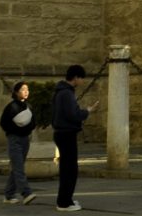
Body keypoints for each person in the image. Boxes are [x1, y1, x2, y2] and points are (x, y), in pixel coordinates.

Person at [50, 64, 91, 213]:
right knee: (69, 169)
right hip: (66, 133)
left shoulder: (61, 92)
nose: (82, 82)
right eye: (81, 79)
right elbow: (72, 115)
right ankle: (64, 202)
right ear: (75, 78)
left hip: (62, 133)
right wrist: (86, 112)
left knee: (67, 168)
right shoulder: (66, 93)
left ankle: (66, 199)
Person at [0, 81, 38, 205]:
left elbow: (33, 122)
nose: (26, 92)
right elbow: (3, 123)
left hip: (25, 139)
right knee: (19, 167)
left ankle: (8, 195)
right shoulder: (11, 107)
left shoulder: (29, 106)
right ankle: (26, 193)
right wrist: (16, 129)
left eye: (27, 89)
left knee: (16, 167)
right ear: (16, 92)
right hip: (14, 139)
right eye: (23, 89)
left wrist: (26, 129)